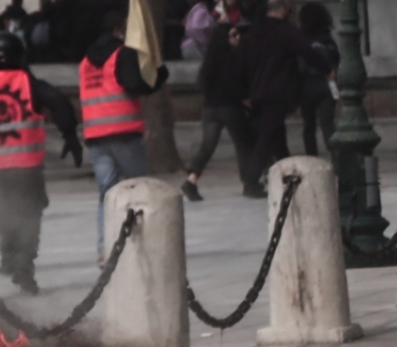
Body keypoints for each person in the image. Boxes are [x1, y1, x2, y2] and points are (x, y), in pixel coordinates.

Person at [0, 31, 81, 294]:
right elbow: (59, 102)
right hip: (24, 167)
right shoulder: (29, 83)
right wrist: (70, 135)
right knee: (28, 216)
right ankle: (23, 270)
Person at [80, 12, 167, 260]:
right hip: (124, 132)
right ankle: (143, 248)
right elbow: (134, 84)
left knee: (106, 194)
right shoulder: (123, 54)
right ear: (120, 29)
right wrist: (158, 75)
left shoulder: (86, 61)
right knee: (138, 188)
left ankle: (104, 248)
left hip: (95, 136)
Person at [238, 0, 330, 199]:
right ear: (282, 10)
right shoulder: (284, 31)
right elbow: (307, 51)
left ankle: (288, 176)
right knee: (268, 136)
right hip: (277, 91)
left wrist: (244, 92)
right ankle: (251, 180)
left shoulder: (253, 33)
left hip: (257, 92)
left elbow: (242, 64)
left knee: (277, 137)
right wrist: (326, 69)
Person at [181, 24, 251, 202]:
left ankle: (191, 179)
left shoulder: (209, 62)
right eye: (233, 35)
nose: (238, 38)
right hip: (230, 108)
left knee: (207, 147)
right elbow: (237, 86)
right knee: (243, 145)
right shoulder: (234, 59)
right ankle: (249, 182)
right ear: (225, 38)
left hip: (210, 109)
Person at [298, 2, 339, 157]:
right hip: (327, 83)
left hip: (306, 84)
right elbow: (336, 59)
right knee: (327, 123)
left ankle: (311, 157)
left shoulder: (301, 39)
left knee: (308, 126)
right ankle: (336, 155)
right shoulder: (327, 39)